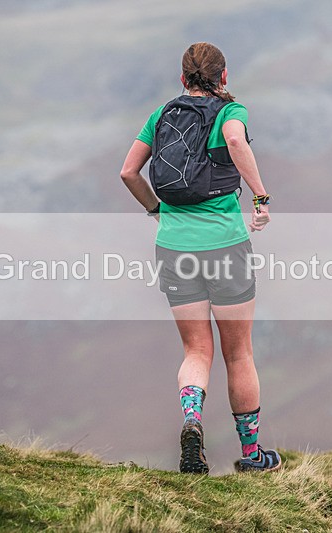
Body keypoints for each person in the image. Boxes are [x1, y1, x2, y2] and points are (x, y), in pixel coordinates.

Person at [119, 42, 281, 473]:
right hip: (225, 245)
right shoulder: (232, 112)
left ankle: (192, 421)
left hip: (174, 247)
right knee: (239, 354)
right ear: (224, 77)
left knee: (196, 350)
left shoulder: (161, 115)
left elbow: (128, 172)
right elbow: (233, 140)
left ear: (182, 80)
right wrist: (260, 197)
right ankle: (251, 457)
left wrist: (156, 211)